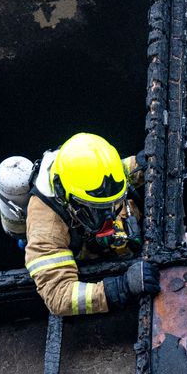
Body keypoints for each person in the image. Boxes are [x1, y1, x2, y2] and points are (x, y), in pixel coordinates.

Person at [25, 132, 159, 315]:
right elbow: (58, 296)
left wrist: (143, 163)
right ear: (69, 199)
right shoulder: (45, 224)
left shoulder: (87, 168)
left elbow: (117, 174)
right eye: (95, 208)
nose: (109, 216)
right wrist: (121, 287)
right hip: (85, 253)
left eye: (111, 204)